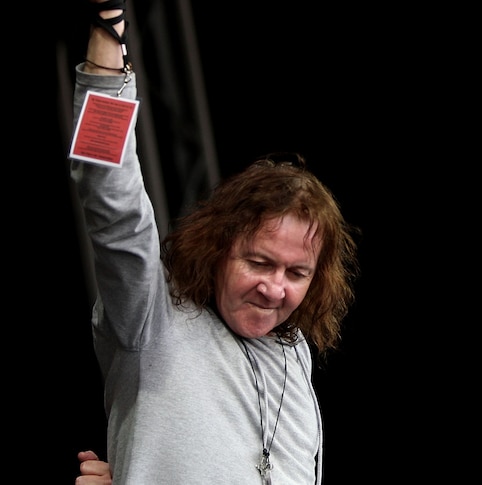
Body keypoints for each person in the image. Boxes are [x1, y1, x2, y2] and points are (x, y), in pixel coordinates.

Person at [70, 0, 360, 483]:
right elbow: (108, 194)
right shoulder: (152, 312)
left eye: (296, 273)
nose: (274, 288)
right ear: (219, 247)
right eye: (259, 262)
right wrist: (107, 32)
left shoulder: (295, 353)